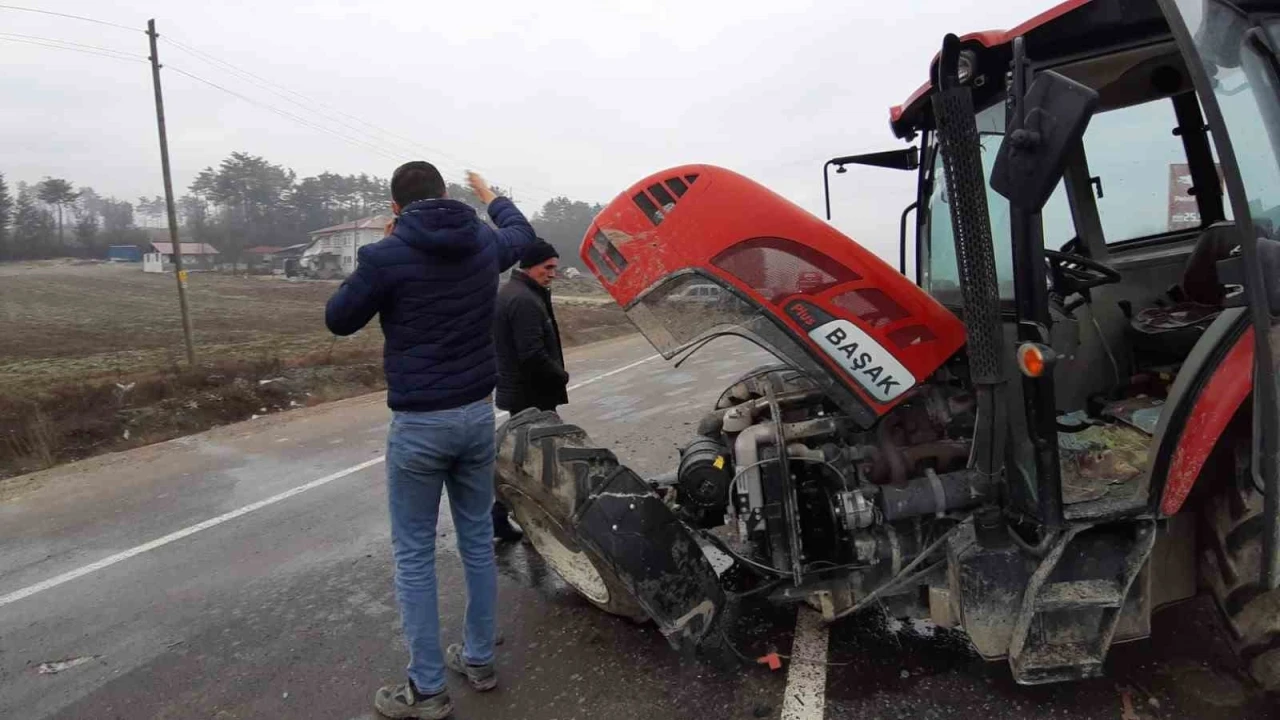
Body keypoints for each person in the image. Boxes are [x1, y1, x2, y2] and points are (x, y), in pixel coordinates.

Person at [325, 161, 535, 720]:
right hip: (474, 417)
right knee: (475, 543)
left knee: (415, 554)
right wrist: (491, 194)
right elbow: (522, 234)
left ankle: (427, 690)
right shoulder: (484, 243)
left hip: (420, 425)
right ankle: (480, 660)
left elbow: (339, 319)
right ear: (445, 195)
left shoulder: (386, 254)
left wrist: (382, 253)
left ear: (396, 208)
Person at [491, 240, 567, 540]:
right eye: (547, 267)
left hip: (525, 392)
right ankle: (534, 524)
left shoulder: (519, 292)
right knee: (537, 464)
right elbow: (532, 354)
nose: (552, 274)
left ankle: (500, 518)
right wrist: (561, 374)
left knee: (527, 461)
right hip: (531, 395)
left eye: (555, 268)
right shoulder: (523, 300)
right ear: (529, 265)